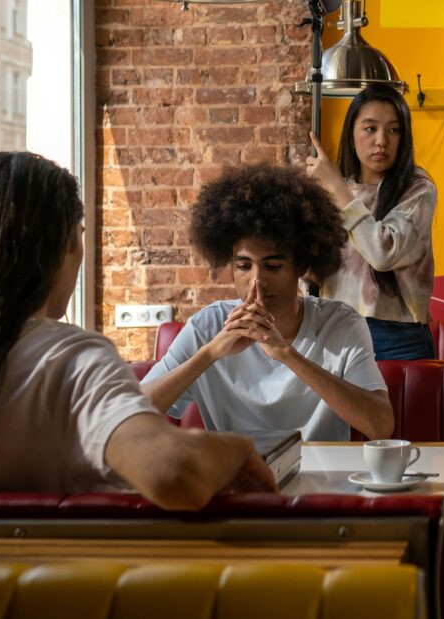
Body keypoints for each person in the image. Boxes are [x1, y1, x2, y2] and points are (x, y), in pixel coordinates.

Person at [0, 152, 276, 509]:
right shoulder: (71, 358)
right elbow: (172, 471)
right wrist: (237, 449)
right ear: (69, 244)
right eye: (80, 235)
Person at [141, 164, 393, 451]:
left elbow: (380, 426)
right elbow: (129, 413)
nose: (257, 280)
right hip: (237, 474)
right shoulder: (206, 327)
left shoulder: (340, 324)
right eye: (243, 266)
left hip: (322, 475)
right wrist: (210, 354)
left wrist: (286, 354)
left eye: (273, 266)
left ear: (301, 266)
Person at [305, 84, 437, 360]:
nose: (381, 141)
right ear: (351, 135)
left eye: (394, 130)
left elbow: (382, 254)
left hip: (397, 337)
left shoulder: (417, 188)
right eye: (370, 128)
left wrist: (337, 188)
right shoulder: (331, 188)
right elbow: (311, 274)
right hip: (335, 328)